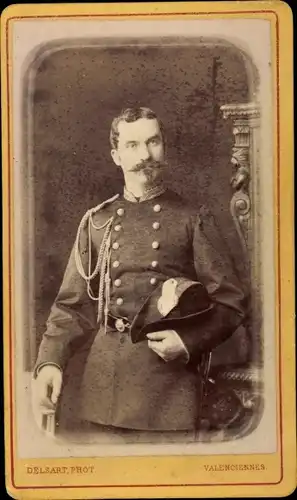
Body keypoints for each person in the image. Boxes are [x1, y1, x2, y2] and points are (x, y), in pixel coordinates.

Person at [33, 106, 246, 433]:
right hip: (101, 388)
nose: (146, 154)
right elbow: (72, 307)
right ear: (116, 155)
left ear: (164, 147)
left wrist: (187, 341)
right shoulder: (97, 221)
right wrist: (49, 362)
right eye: (132, 145)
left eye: (153, 142)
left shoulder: (192, 218)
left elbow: (230, 302)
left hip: (168, 388)